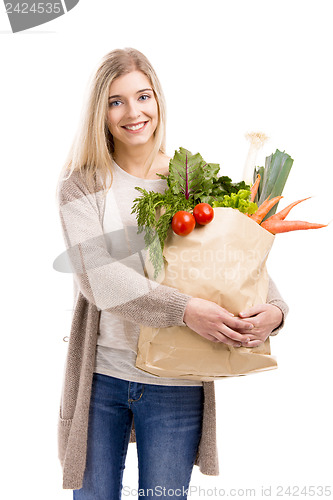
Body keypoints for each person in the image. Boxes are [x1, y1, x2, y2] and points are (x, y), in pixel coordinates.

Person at [56, 48, 289, 499]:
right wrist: (186, 310)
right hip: (101, 378)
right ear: (100, 113)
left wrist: (276, 313)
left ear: (158, 100)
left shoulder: (191, 182)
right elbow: (97, 279)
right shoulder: (80, 184)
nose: (133, 112)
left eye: (143, 96)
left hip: (175, 384)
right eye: (115, 101)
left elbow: (235, 263)